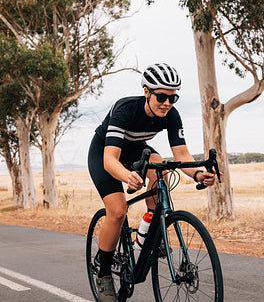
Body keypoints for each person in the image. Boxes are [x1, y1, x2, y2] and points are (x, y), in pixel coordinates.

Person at [87, 63, 217, 302]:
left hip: (137, 150)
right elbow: (110, 159)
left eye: (173, 97)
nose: (167, 103)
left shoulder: (171, 115)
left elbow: (182, 156)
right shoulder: (125, 110)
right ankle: (103, 272)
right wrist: (127, 176)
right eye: (161, 96)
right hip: (105, 153)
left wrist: (198, 174)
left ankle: (150, 230)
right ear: (147, 92)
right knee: (117, 211)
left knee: (159, 166)